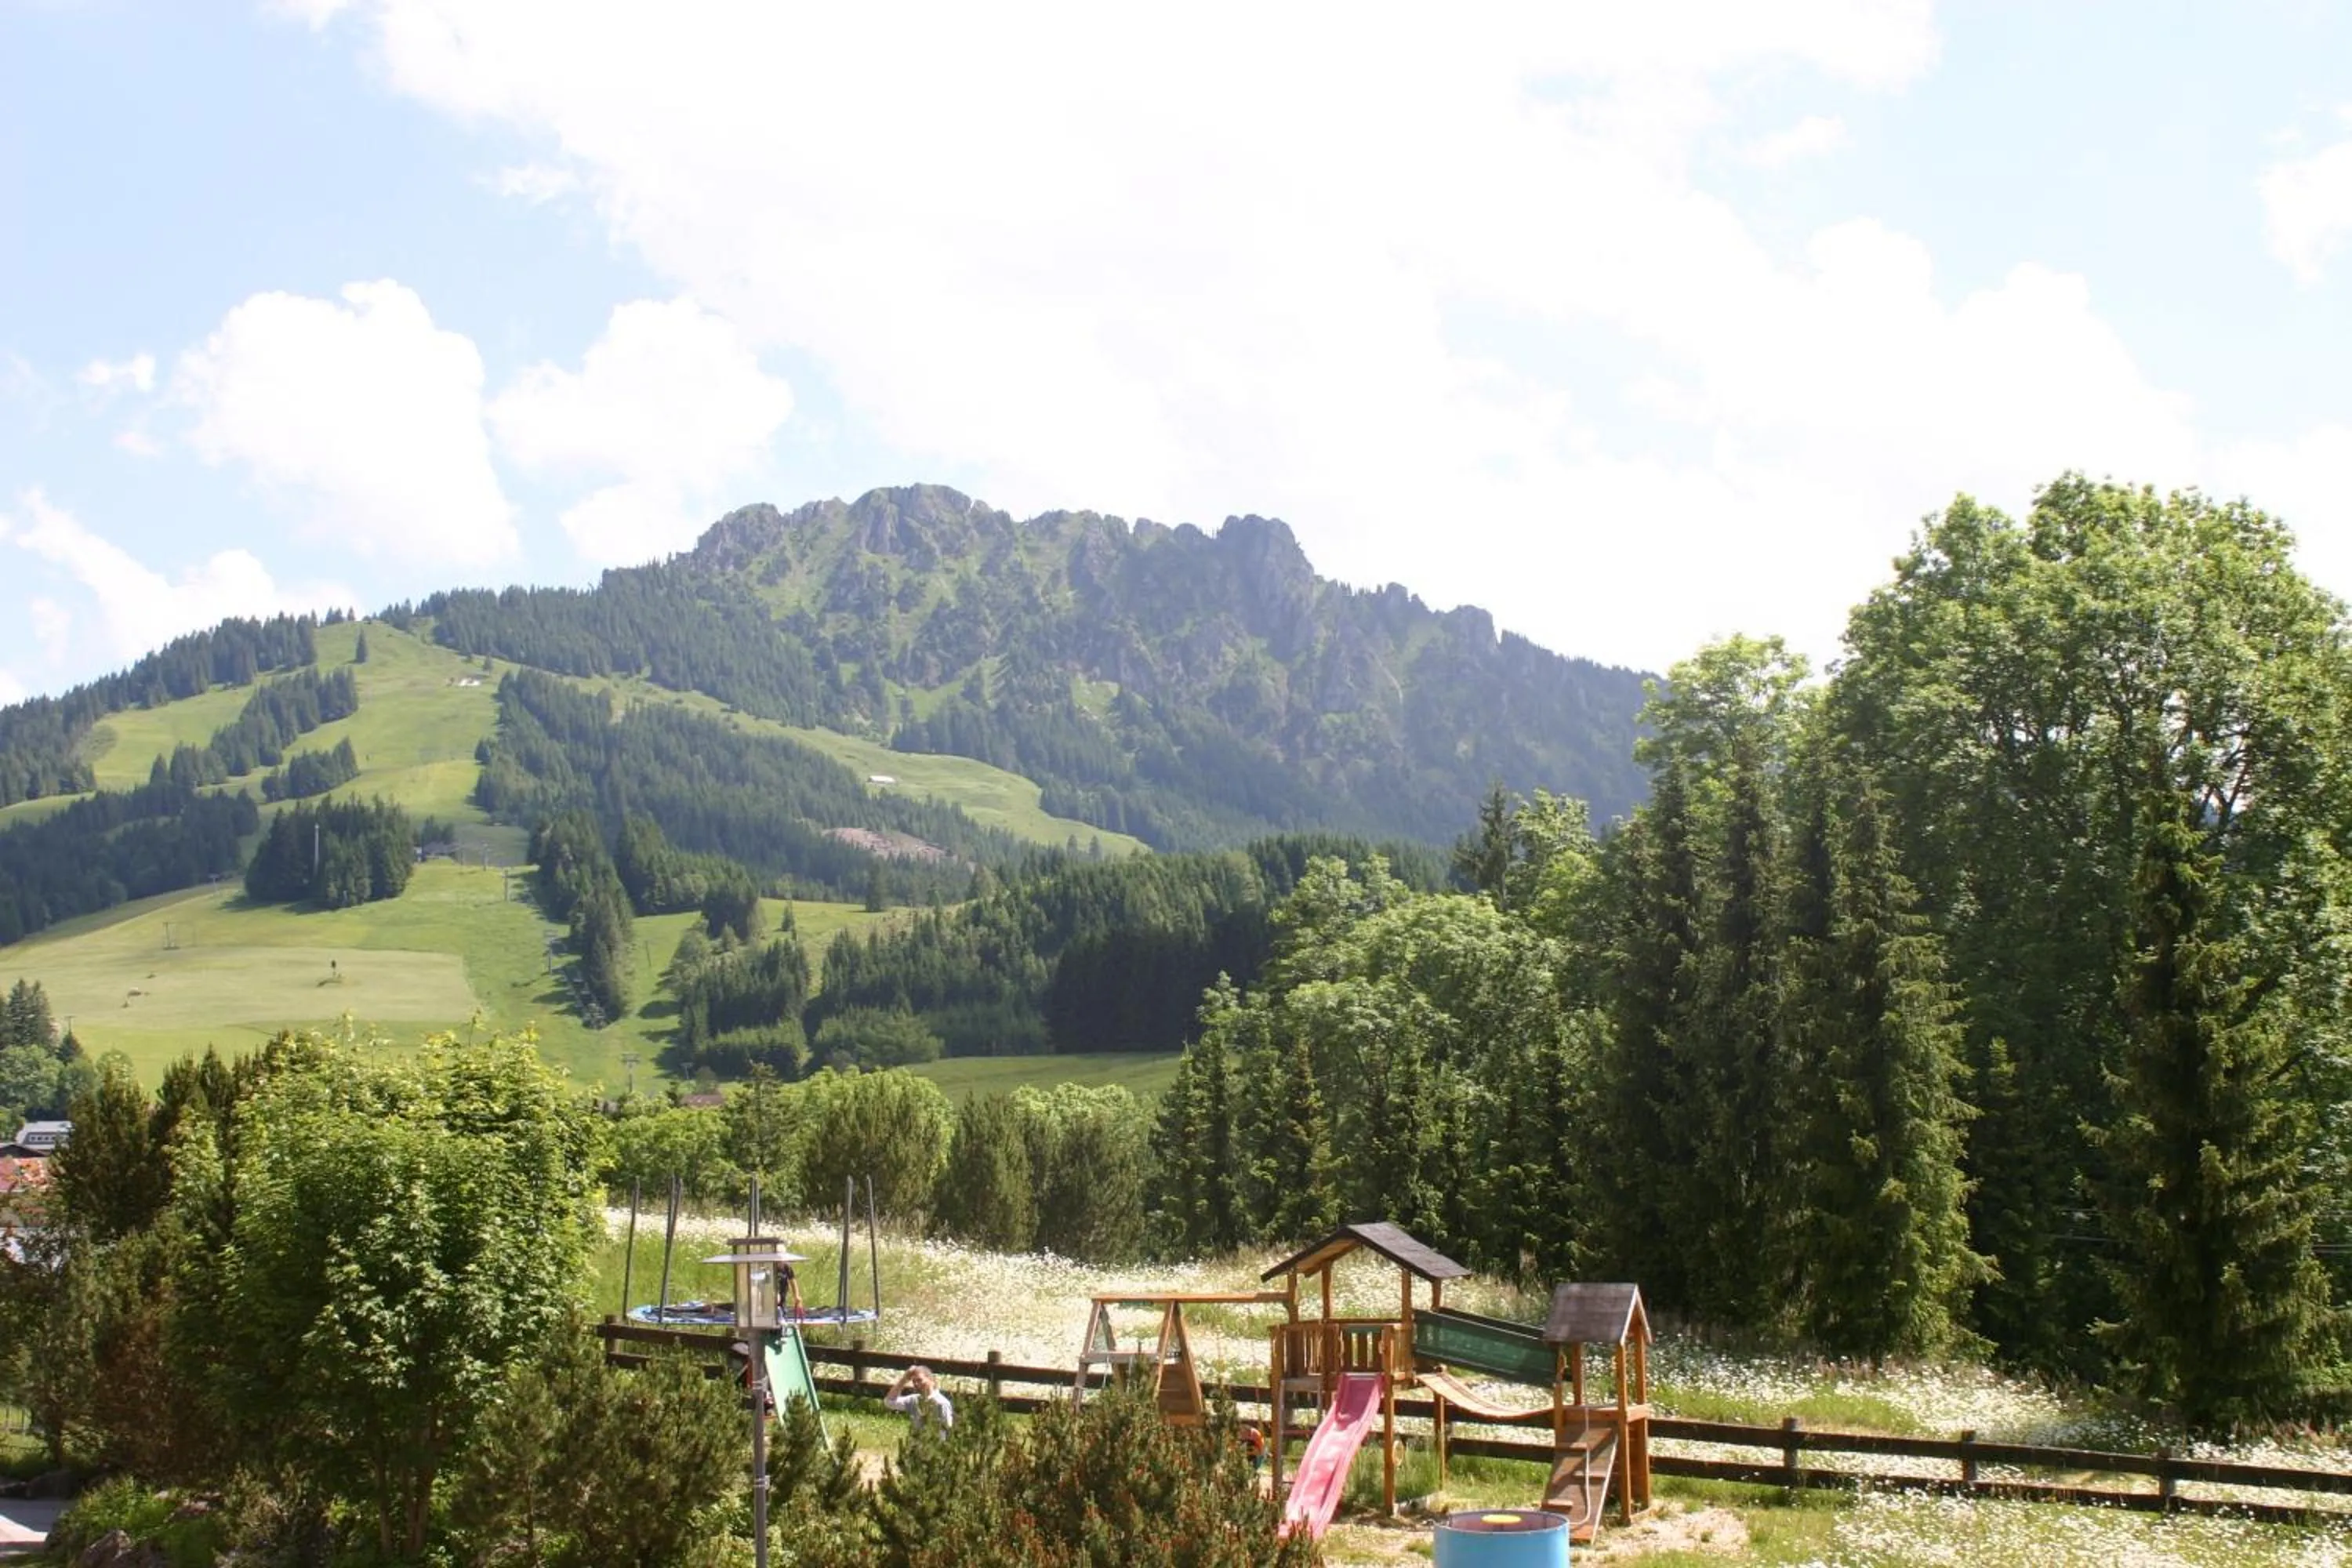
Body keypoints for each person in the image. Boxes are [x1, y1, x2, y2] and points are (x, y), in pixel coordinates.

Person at [884, 1363, 956, 1432]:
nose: (916, 1384)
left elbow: (947, 1429)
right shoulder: (913, 1400)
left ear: (931, 1380)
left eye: (919, 1380)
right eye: (914, 1381)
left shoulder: (941, 1403)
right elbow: (889, 1402)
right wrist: (904, 1379)